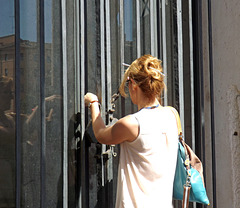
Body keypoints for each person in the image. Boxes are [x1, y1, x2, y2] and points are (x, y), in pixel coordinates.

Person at [84, 54, 178, 208]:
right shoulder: (172, 115)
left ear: (133, 84)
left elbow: (100, 134)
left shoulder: (132, 123)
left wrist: (93, 103)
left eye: (127, 83)